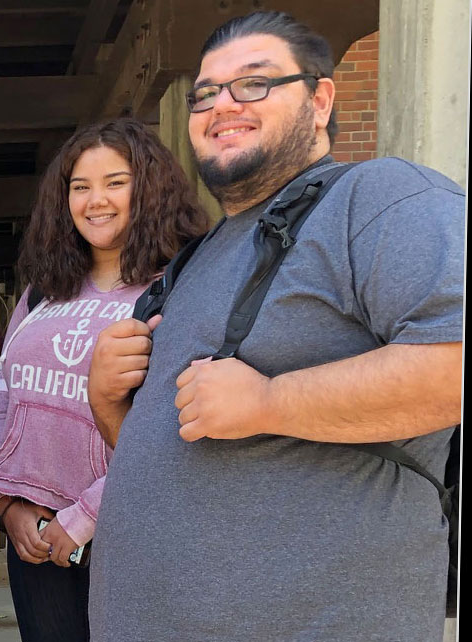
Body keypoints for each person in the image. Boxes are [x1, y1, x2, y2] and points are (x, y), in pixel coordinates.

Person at [85, 11, 464, 640]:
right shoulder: (197, 258)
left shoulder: (381, 196)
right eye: (205, 93)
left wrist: (271, 400)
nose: (221, 105)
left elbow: (453, 365)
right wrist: (107, 404)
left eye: (254, 83)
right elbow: (182, 452)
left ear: (320, 99)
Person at [0, 119, 208, 641]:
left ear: (149, 189)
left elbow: (176, 431)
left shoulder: (178, 292)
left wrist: (83, 517)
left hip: (127, 536)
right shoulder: (43, 291)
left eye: (115, 182)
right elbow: (3, 398)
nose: (94, 200)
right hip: (34, 539)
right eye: (79, 187)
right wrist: (8, 500)